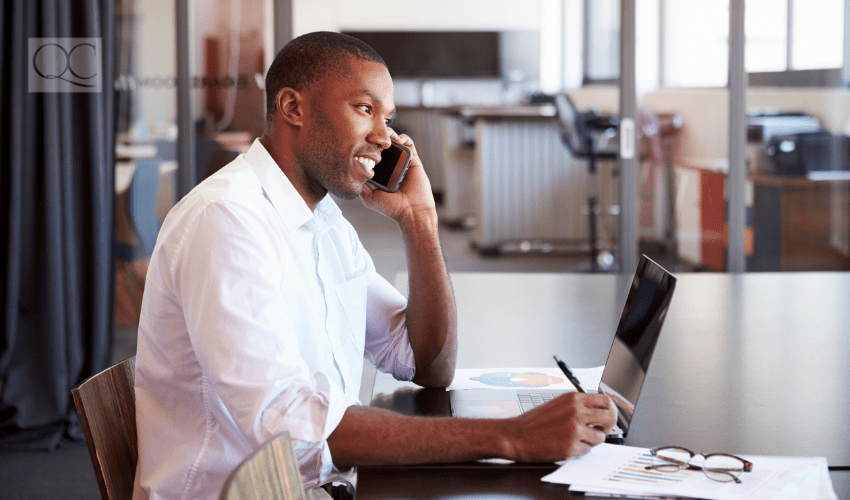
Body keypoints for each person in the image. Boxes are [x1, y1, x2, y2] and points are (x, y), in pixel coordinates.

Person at [132, 31, 617, 500]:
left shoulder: (323, 221)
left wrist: (420, 219)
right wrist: (510, 438)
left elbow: (428, 363)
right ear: (293, 108)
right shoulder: (226, 220)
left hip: (311, 487)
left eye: (388, 117)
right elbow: (291, 434)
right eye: (365, 109)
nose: (385, 137)